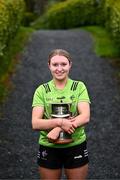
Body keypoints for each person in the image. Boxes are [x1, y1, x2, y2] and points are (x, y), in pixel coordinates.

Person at [32, 49, 91, 179]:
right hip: (49, 146)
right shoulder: (41, 90)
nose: (59, 69)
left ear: (70, 64)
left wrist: (58, 128)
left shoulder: (79, 87)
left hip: (76, 145)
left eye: (63, 64)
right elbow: (35, 123)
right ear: (49, 65)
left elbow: (85, 117)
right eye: (55, 64)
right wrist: (60, 122)